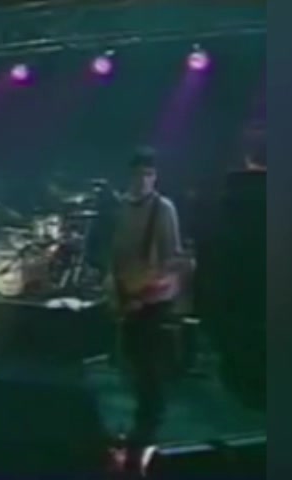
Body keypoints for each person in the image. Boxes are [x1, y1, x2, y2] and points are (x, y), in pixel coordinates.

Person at [107, 147, 189, 458]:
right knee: (132, 361)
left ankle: (148, 428)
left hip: (154, 297)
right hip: (127, 294)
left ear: (155, 178)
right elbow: (114, 253)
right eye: (138, 174)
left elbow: (172, 258)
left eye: (149, 175)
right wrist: (118, 292)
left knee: (149, 365)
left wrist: (147, 292)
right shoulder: (120, 208)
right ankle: (139, 425)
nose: (143, 180)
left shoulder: (163, 209)